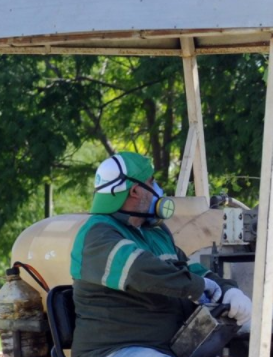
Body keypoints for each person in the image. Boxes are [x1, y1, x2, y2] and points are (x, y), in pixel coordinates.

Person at [70, 152, 252, 357]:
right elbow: (140, 271)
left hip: (166, 348)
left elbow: (187, 268)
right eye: (152, 181)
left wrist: (227, 290)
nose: (158, 189)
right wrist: (197, 286)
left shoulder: (155, 232)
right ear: (136, 190)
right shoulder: (97, 234)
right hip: (116, 350)